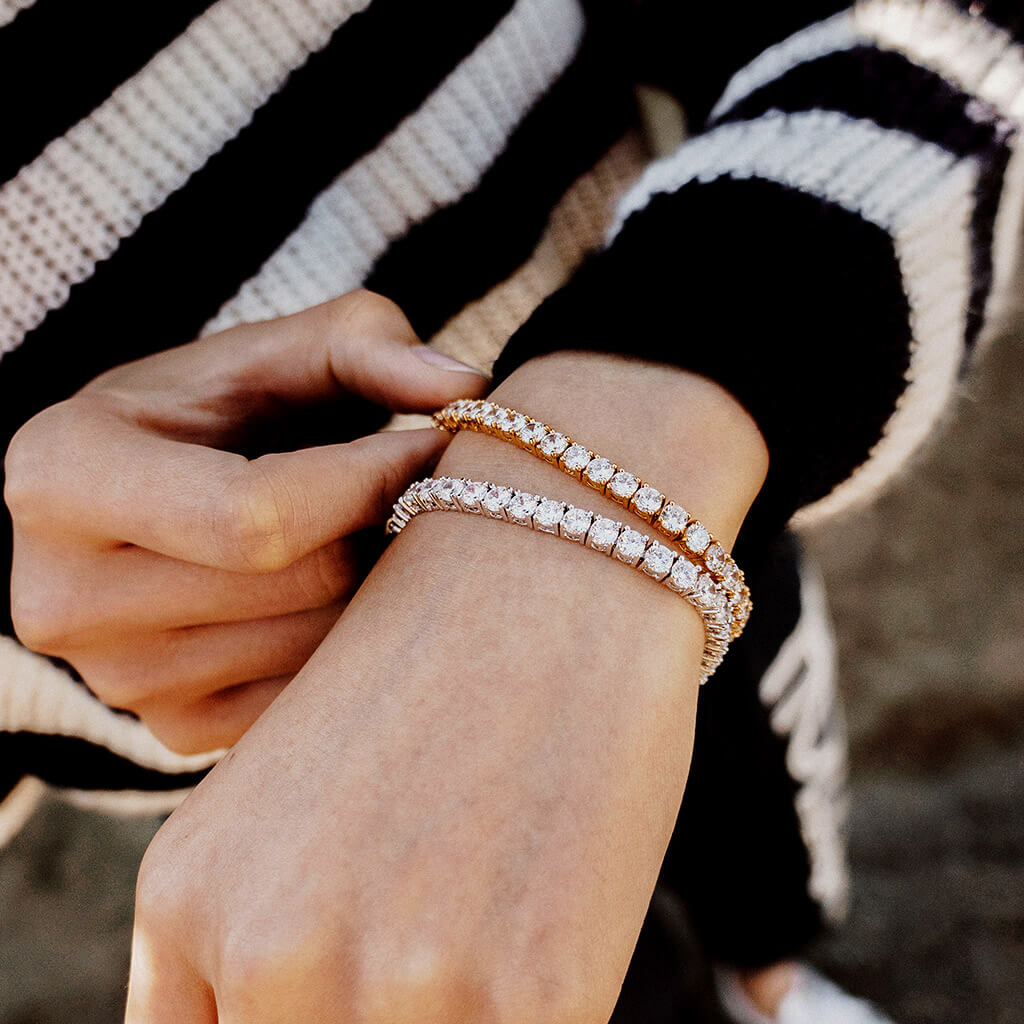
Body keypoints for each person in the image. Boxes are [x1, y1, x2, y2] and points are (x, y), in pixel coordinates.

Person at [1, 0, 1021, 1020]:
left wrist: (659, 396)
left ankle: (770, 976)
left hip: (693, 496)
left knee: (765, 827)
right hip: (264, 759)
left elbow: (920, 37)